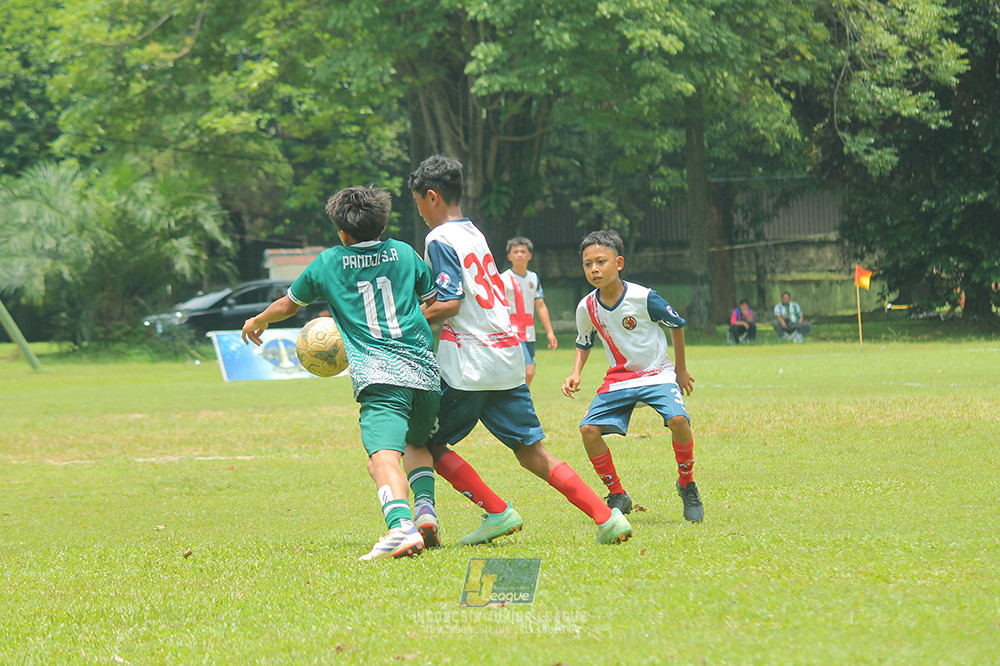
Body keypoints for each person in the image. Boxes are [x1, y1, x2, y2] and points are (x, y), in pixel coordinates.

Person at [404, 154, 633, 546]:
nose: (421, 213)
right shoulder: (474, 232)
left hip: (468, 363)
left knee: (421, 444)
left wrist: (403, 322)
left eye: (419, 204)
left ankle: (497, 511)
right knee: (532, 453)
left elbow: (450, 302)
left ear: (431, 197)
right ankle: (606, 517)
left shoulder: (438, 238)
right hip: (507, 357)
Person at [241, 185, 441, 561]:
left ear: (342, 232)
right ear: (381, 224)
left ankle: (400, 528)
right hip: (425, 373)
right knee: (417, 445)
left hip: (380, 378)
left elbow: (288, 303)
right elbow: (434, 303)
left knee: (382, 457)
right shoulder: (404, 253)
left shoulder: (329, 262)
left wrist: (259, 320)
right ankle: (425, 510)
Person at [561, 229, 704, 523]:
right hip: (619, 380)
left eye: (601, 261)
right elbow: (583, 341)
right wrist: (575, 373)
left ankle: (687, 483)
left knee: (679, 420)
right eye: (588, 264)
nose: (594, 269)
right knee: (588, 430)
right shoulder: (586, 306)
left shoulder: (644, 297)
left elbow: (676, 324)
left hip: (657, 374)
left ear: (619, 263)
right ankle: (617, 494)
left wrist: (680, 369)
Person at [500, 236, 559, 387]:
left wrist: (550, 332)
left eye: (523, 251)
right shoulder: (504, 279)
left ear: (530, 256)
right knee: (528, 370)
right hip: (511, 331)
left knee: (527, 371)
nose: (520, 254)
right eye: (516, 252)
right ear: (509, 256)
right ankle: (522, 402)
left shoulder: (533, 277)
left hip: (529, 333)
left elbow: (540, 305)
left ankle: (520, 401)